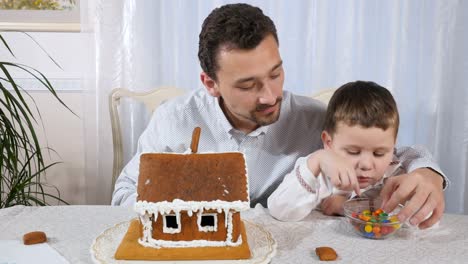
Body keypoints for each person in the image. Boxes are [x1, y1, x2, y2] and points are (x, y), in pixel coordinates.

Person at [111, 3, 447, 229]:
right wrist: (178, 198)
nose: (271, 96)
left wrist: (429, 173)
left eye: (276, 73)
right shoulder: (174, 121)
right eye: (248, 85)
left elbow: (391, 153)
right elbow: (124, 192)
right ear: (210, 83)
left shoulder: (315, 119)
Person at [269, 81, 408, 221]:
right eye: (353, 152)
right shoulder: (317, 170)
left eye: (379, 153)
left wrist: (347, 206)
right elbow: (280, 211)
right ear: (328, 143)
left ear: (393, 145)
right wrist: (317, 160)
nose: (366, 164)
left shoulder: (396, 172)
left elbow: (414, 214)